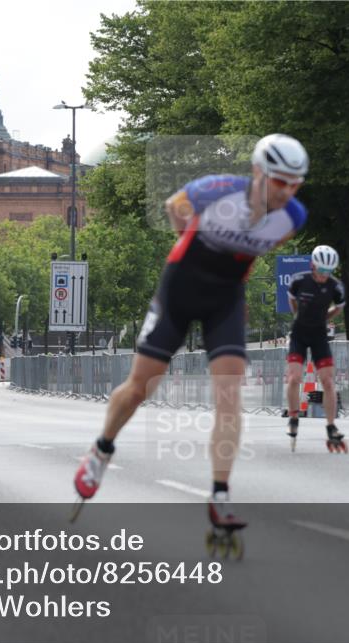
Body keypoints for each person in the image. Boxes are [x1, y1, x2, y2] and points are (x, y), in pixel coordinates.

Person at [73, 133, 310, 530]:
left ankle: (220, 494)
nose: (286, 191)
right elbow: (172, 207)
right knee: (141, 386)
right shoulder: (216, 190)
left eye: (295, 184)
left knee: (229, 393)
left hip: (225, 300)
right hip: (180, 289)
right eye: (279, 181)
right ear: (257, 171)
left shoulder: (293, 218)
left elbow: (258, 247)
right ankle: (100, 451)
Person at [285, 245, 347, 452]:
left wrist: (324, 318)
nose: (324, 276)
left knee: (328, 381)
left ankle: (330, 426)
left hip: (319, 335)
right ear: (313, 266)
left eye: (328, 272)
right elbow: (292, 300)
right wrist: (298, 316)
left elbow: (339, 306)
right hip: (299, 334)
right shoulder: (299, 281)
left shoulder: (335, 287)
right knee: (294, 378)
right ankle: (293, 416)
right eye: (321, 271)